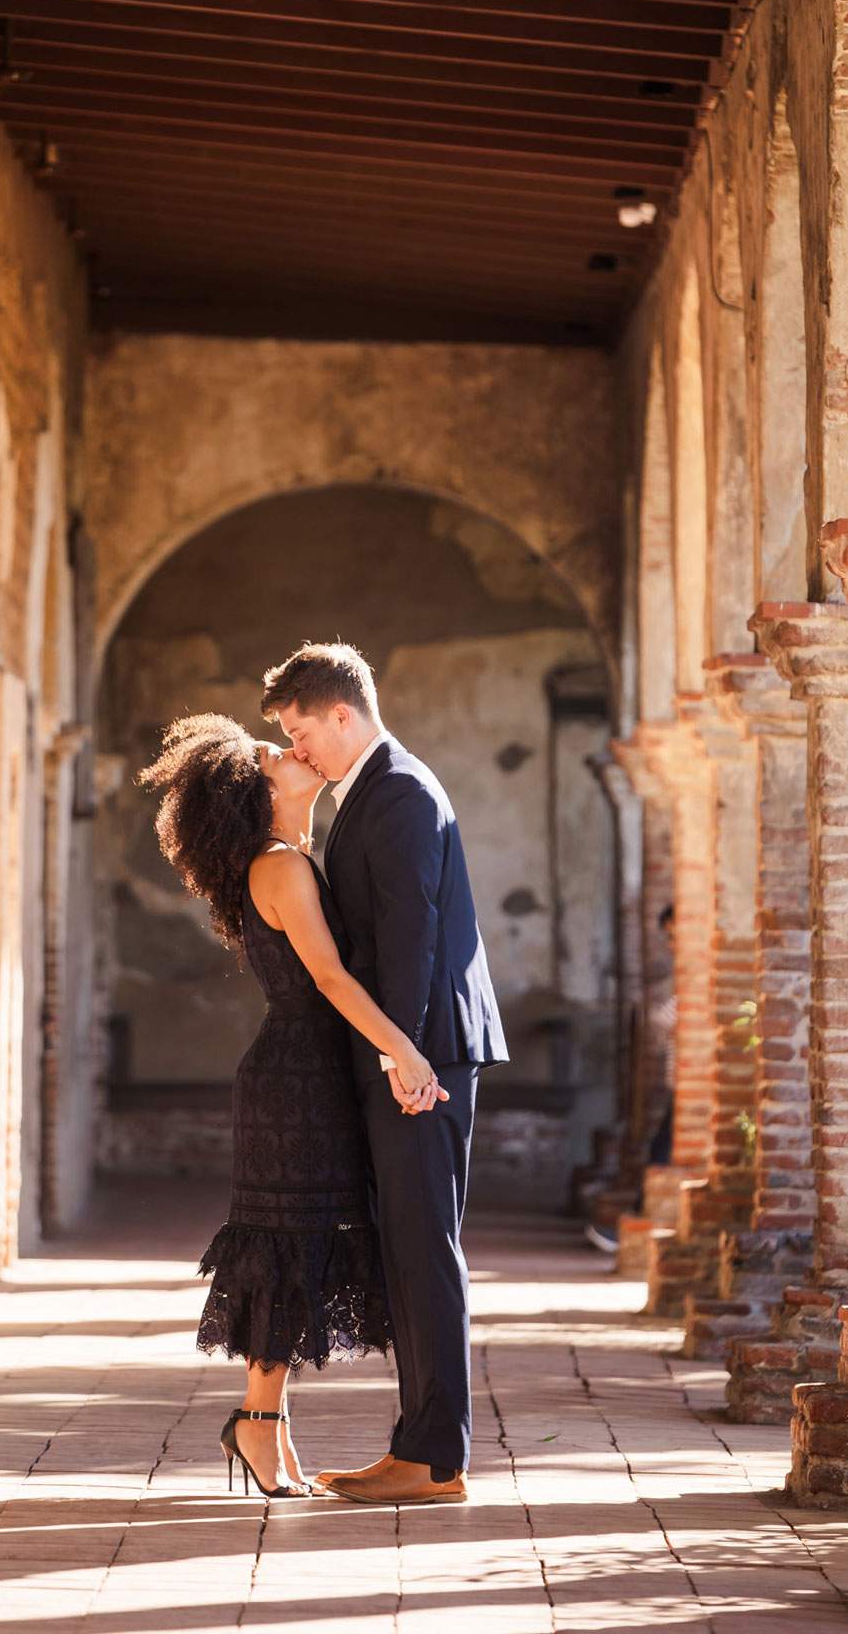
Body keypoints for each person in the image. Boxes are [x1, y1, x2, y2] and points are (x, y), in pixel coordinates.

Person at [138, 712, 441, 1500]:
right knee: (284, 1248)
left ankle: (265, 1427)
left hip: (308, 1074)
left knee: (297, 1248)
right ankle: (257, 1423)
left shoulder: (295, 857)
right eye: (279, 753)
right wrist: (404, 1050)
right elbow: (333, 979)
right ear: (262, 791)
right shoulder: (281, 866)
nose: (296, 750)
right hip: (293, 1081)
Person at [262, 642, 507, 1506]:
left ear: (342, 713)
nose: (299, 752)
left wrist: (400, 1053)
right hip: (410, 1051)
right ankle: (417, 1447)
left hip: (423, 1055)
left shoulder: (396, 790)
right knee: (407, 1250)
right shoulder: (369, 788)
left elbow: (409, 933)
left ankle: (436, 1458)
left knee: (424, 1249)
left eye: (302, 732)